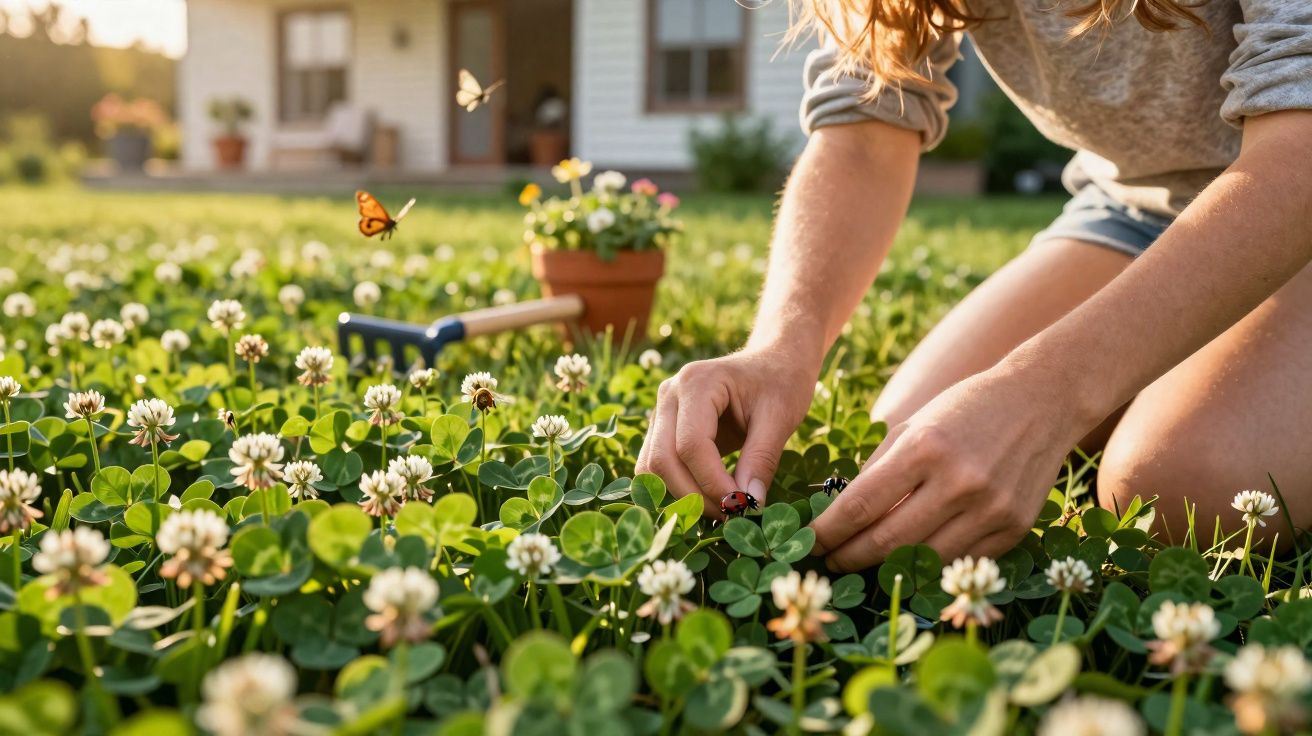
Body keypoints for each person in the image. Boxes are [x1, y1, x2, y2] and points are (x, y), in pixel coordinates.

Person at [635, 0, 1312, 573]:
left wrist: (1051, 389)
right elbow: (868, 124)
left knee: (1182, 491)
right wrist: (783, 343)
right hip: (1138, 208)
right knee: (908, 449)